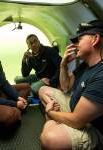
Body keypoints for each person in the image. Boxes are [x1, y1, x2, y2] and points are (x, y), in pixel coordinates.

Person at [39, 20, 103, 149]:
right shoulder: (86, 65)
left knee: (50, 138)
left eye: (79, 40)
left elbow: (77, 121)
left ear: (95, 39)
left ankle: (54, 121)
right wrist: (63, 65)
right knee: (43, 89)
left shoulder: (101, 76)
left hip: (91, 127)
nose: (75, 44)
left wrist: (50, 112)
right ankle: (58, 121)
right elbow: (65, 87)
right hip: (75, 109)